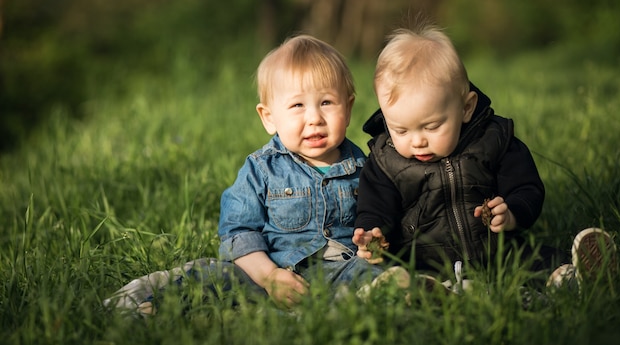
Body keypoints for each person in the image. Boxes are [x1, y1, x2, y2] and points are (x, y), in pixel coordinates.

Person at [104, 34, 404, 315]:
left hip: (339, 271)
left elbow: (381, 217)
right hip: (267, 271)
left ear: (348, 109)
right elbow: (239, 233)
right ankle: (146, 300)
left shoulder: (367, 168)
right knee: (214, 273)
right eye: (297, 105)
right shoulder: (262, 169)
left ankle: (389, 296)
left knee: (369, 275)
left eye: (326, 102)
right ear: (269, 117)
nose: (314, 118)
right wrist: (270, 276)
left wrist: (374, 240)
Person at [351, 22, 616, 289]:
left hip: (497, 252)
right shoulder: (386, 162)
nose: (418, 140)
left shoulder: (492, 141)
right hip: (424, 258)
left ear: (466, 108)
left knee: (533, 260)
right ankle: (423, 290)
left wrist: (511, 212)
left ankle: (572, 274)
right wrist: (374, 232)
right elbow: (375, 207)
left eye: (432, 126)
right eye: (400, 130)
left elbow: (527, 187)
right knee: (409, 275)